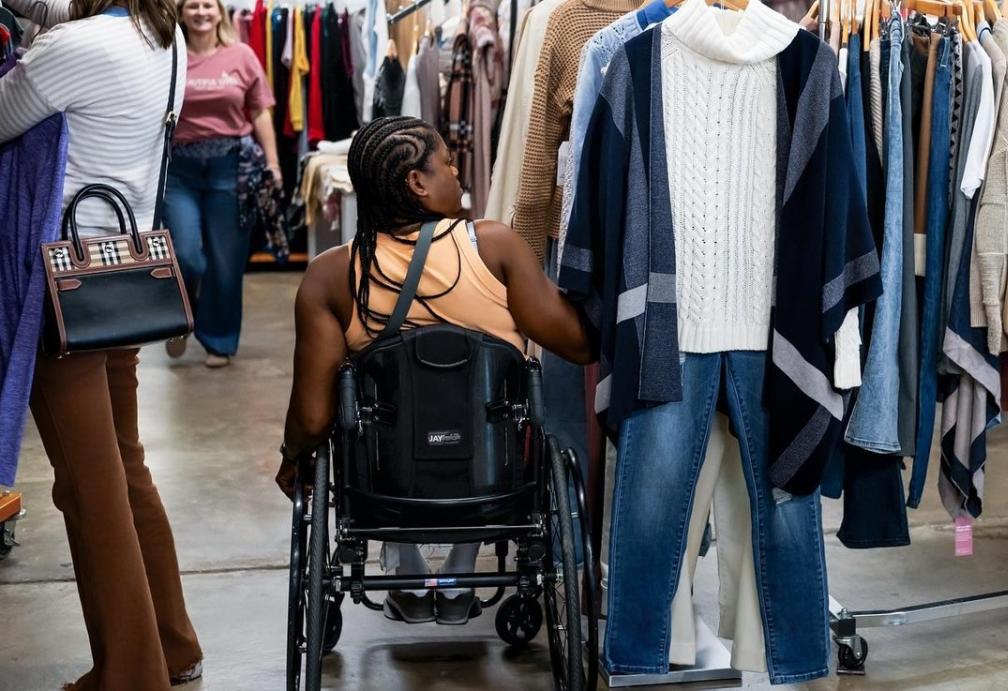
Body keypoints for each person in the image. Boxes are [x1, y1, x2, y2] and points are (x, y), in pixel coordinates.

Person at [277, 116, 593, 624]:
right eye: (447, 162)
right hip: (494, 485)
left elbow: (313, 418)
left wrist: (292, 459)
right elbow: (578, 345)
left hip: (385, 491)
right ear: (417, 183)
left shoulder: (332, 277)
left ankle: (406, 561)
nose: (457, 172)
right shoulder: (494, 247)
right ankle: (461, 572)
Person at [0, 0, 204, 688]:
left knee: (90, 490)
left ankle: (130, 672)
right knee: (125, 466)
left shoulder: (73, 48)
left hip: (63, 292)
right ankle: (172, 643)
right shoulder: (162, 39)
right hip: (120, 277)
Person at [163, 0, 281, 368]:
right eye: (192, 6)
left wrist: (274, 163)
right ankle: (184, 315)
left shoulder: (241, 55)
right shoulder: (169, 55)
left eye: (208, 5)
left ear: (220, 13)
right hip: (180, 168)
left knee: (226, 263)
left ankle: (219, 341)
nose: (200, 12)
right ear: (181, 13)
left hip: (231, 167)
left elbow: (260, 109)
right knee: (186, 255)